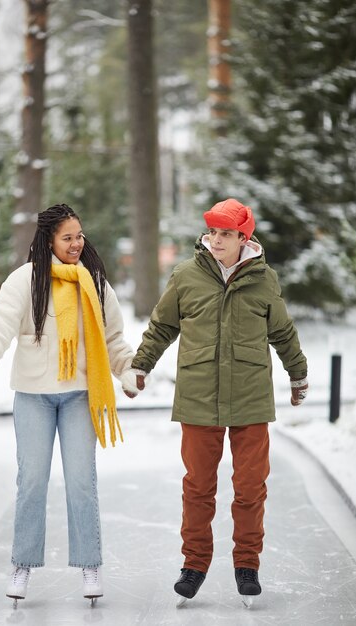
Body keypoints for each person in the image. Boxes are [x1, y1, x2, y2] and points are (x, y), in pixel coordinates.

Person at [121, 198, 308, 603]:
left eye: (227, 233)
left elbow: (283, 332)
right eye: (213, 232)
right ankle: (194, 565)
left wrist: (298, 373)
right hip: (199, 395)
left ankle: (247, 564)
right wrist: (141, 366)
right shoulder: (186, 275)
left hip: (250, 397)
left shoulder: (264, 279)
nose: (217, 239)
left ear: (244, 237)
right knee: (198, 487)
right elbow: (162, 326)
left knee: (250, 488)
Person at [0, 203, 135, 605]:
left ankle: (90, 563)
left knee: (81, 483)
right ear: (49, 239)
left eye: (80, 235)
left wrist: (128, 372)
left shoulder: (95, 283)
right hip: (33, 398)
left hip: (79, 397)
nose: (76, 243)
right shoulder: (26, 282)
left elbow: (114, 340)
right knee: (32, 482)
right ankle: (22, 565)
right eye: (68, 237)